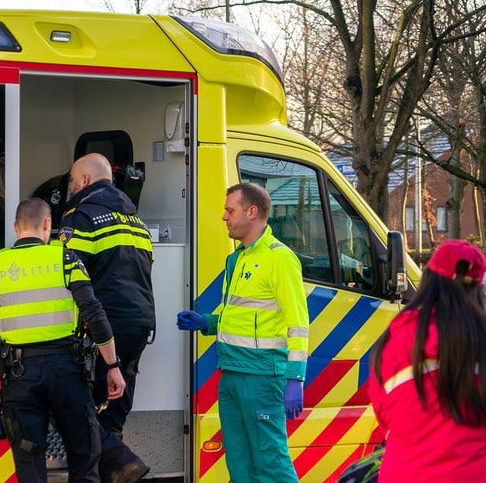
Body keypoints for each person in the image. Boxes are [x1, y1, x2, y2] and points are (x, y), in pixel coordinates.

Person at [0, 197, 126, 482]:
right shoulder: (65, 258)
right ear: (48, 225)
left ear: (16, 227)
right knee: (84, 455)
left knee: (29, 462)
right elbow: (94, 314)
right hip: (67, 371)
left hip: (19, 376)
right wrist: (113, 366)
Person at [177, 182, 309, 483]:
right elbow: (236, 313)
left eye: (229, 210)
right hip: (232, 372)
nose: (224, 217)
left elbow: (298, 322)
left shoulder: (280, 258)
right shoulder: (237, 258)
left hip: (262, 377)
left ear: (251, 212)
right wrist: (207, 322)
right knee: (239, 463)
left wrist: (295, 377)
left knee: (271, 463)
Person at [368, 240, 486, 482]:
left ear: (429, 280)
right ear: (478, 288)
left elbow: (383, 411)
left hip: (408, 473)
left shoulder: (397, 337)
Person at [60, 153, 155, 481]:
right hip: (140, 325)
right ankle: (116, 468)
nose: (70, 188)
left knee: (77, 413)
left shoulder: (81, 215)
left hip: (104, 329)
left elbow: (69, 274)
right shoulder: (135, 220)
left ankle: (122, 461)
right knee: (111, 416)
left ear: (84, 181)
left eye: (72, 181)